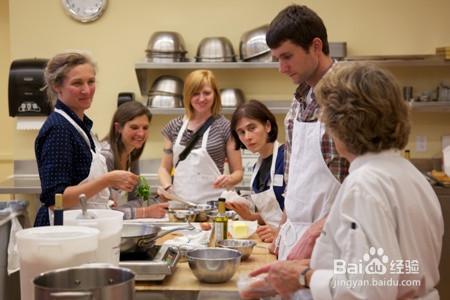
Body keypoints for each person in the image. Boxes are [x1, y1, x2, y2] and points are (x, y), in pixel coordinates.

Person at [245, 63, 444, 300]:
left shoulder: (365, 185)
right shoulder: (409, 175)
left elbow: (368, 290)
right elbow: (388, 268)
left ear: (341, 123)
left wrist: (304, 276)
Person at [265, 4, 349, 261]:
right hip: (295, 238)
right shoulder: (300, 99)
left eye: (287, 56)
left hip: (334, 238)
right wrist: (283, 227)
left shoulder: (347, 94)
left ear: (315, 46)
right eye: (277, 59)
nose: (282, 68)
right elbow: (295, 178)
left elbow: (364, 181)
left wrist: (316, 232)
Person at [34, 51, 138, 226]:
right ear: (56, 87)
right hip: (64, 232)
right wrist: (107, 180)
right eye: (77, 83)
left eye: (91, 81)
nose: (87, 90)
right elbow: (55, 199)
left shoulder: (79, 126)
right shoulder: (59, 128)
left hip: (83, 227)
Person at [158, 70, 243, 204]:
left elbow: (238, 172)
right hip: (180, 206)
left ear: (215, 94)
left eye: (207, 93)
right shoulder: (174, 126)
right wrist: (168, 187)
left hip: (214, 206)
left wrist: (229, 179)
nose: (201, 99)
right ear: (187, 95)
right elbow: (164, 168)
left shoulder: (225, 127)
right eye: (195, 93)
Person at [227, 100, 285, 243]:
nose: (247, 137)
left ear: (268, 126)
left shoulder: (287, 159)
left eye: (252, 128)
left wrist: (280, 232)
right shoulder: (256, 168)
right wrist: (250, 217)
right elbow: (272, 215)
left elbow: (303, 214)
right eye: (241, 132)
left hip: (293, 241)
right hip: (272, 242)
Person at [101, 100, 168, 219]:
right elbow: (105, 213)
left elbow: (138, 198)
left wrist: (157, 198)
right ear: (118, 128)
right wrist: (144, 212)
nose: (141, 134)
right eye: (134, 127)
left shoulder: (132, 154)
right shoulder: (106, 157)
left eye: (145, 127)